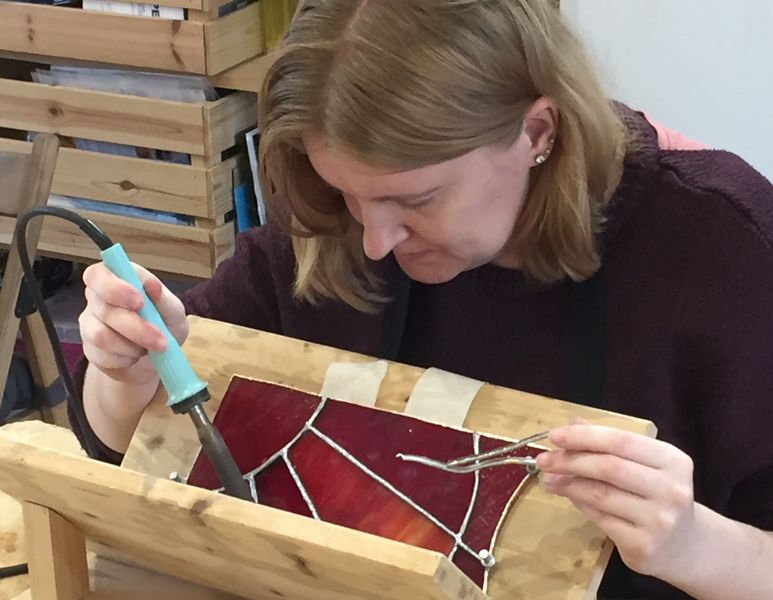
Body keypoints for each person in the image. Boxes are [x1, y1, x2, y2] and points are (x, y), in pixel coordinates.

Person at [74, 1, 773, 598]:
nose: (375, 240)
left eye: (416, 200)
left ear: (537, 132)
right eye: (351, 195)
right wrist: (125, 375)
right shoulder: (332, 229)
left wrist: (691, 546)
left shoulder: (720, 249)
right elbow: (120, 443)